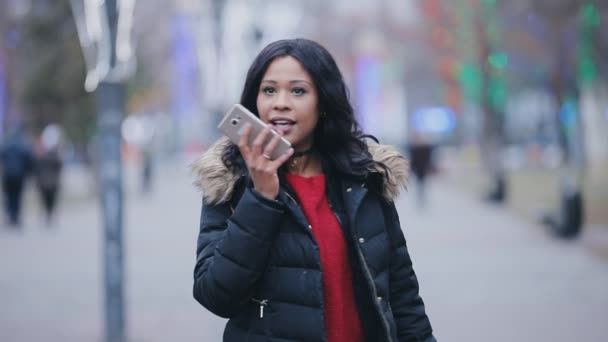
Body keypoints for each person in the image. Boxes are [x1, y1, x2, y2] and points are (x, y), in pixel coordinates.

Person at [191, 39, 435, 342]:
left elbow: (402, 296)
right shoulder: (229, 182)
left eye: (298, 91)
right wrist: (261, 197)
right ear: (254, 102)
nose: (280, 102)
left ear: (323, 102)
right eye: (269, 90)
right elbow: (215, 295)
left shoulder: (364, 178)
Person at [0, 127, 34, 227]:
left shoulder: (6, 145)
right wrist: (29, 173)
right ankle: (16, 216)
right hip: (19, 176)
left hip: (8, 176)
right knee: (18, 196)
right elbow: (29, 160)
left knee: (9, 196)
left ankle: (11, 215)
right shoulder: (23, 146)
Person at [34, 146, 63, 225]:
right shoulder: (55, 158)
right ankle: (49, 214)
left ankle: (47, 215)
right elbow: (60, 167)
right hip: (53, 183)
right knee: (51, 201)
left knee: (45, 200)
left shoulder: (41, 158)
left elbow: (37, 171)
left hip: (44, 183)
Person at [407, 132, 435, 208]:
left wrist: (429, 168)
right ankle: (420, 198)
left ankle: (422, 198)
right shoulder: (413, 148)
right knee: (419, 184)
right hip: (417, 169)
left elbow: (429, 158)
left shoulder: (426, 148)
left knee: (422, 184)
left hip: (423, 168)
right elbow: (412, 160)